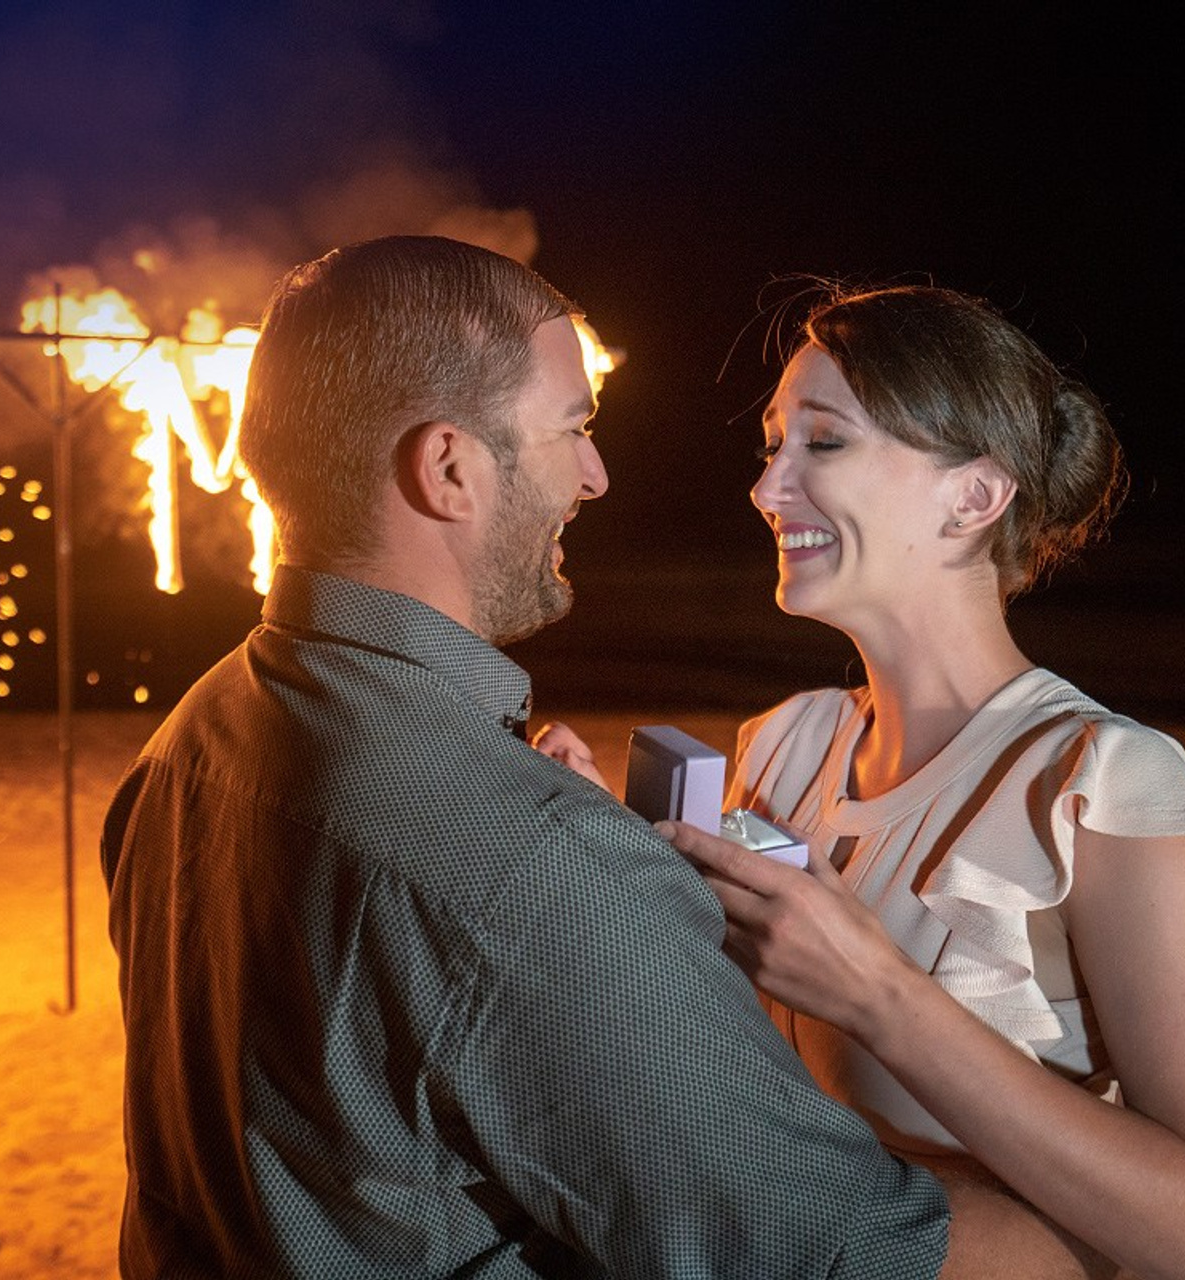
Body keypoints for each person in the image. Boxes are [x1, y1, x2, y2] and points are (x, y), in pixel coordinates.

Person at [99, 239, 961, 1279]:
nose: (594, 475)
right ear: (450, 468)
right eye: (572, 428)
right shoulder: (534, 864)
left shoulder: (192, 738)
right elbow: (848, 1256)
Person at [550, 283, 1185, 1279]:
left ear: (972, 495)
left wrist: (882, 996)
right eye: (771, 446)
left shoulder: (1098, 783)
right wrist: (607, 857)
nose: (767, 487)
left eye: (824, 442)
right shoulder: (780, 748)